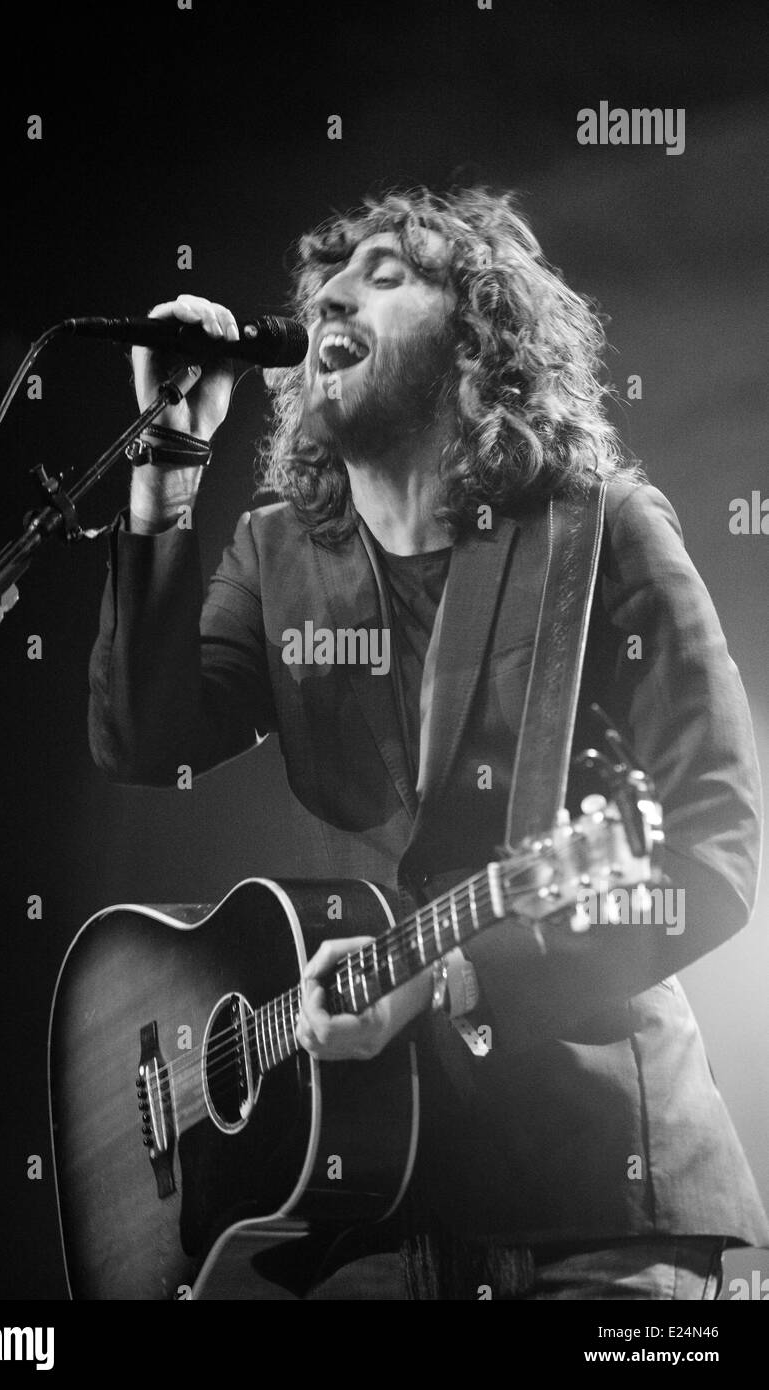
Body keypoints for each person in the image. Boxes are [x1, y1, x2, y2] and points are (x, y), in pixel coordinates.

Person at [88, 186, 768, 1299]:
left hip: (591, 1202)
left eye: (388, 273)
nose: (335, 293)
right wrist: (165, 469)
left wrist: (453, 977)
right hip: (364, 1216)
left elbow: (713, 850)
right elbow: (140, 737)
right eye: (326, 282)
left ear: (477, 345)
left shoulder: (598, 534)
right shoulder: (277, 558)